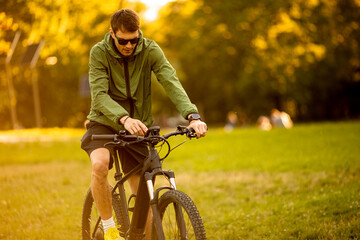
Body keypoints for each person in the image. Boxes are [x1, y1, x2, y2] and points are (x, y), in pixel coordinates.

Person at [80, 9, 207, 240]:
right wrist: (124, 118)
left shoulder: (149, 49)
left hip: (138, 125)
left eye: (134, 40)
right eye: (123, 41)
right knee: (100, 165)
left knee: (145, 201)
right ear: (112, 33)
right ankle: (109, 229)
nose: (129, 45)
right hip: (105, 121)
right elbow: (99, 95)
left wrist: (192, 116)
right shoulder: (99, 52)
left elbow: (170, 80)